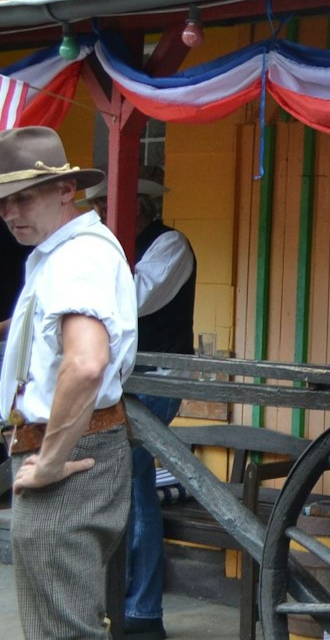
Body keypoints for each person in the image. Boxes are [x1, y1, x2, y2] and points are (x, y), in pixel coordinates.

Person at [0, 126, 137, 638]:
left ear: (65, 189)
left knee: (61, 630)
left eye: (23, 198)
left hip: (69, 455)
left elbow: (85, 363)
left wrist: (52, 462)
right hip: (73, 446)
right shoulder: (65, 253)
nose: (11, 212)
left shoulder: (78, 257)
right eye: (3, 202)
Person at [83, 171, 196, 639]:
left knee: (129, 480)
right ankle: (132, 608)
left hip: (158, 380)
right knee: (129, 482)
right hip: (125, 383)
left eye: (107, 209)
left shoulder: (170, 245)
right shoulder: (112, 253)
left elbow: (132, 300)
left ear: (137, 209)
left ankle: (141, 608)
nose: (101, 217)